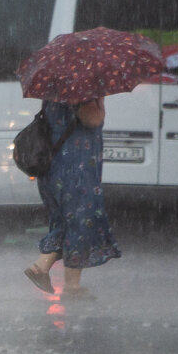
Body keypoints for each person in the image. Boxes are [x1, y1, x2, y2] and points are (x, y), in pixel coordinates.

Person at [23, 97, 120, 300]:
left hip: (52, 165)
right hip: (76, 166)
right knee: (80, 221)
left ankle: (43, 269)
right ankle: (69, 284)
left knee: (65, 221)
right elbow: (92, 119)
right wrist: (99, 104)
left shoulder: (55, 87)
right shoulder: (83, 90)